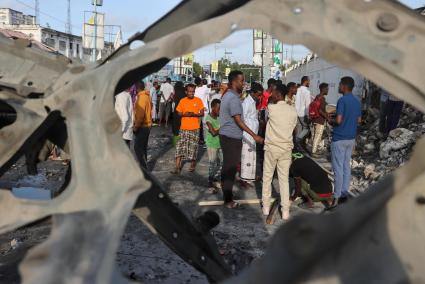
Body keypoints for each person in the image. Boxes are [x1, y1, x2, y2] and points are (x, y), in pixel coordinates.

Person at [220, 70, 264, 209]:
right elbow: (239, 121)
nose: (244, 83)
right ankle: (228, 200)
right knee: (230, 169)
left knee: (227, 167)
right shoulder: (233, 98)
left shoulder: (228, 95)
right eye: (241, 81)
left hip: (227, 136)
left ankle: (226, 194)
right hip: (231, 138)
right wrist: (254, 135)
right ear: (234, 82)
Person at [261, 83, 297, 220]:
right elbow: (294, 128)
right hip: (286, 149)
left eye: (274, 93)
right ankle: (285, 211)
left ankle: (265, 207)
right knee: (284, 180)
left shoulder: (271, 108)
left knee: (267, 177)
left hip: (271, 148)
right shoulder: (293, 110)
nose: (271, 94)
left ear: (278, 94)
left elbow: (265, 120)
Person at [331, 76, 361, 206]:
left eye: (339, 85)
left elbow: (338, 120)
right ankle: (344, 194)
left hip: (339, 138)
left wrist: (331, 121)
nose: (338, 87)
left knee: (337, 168)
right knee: (346, 167)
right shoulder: (357, 101)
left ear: (344, 86)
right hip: (351, 139)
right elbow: (359, 120)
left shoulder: (342, 100)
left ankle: (336, 197)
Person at [173, 84, 204, 174]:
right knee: (179, 147)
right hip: (183, 128)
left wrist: (194, 114)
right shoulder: (182, 101)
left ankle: (193, 164)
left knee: (193, 148)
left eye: (193, 91)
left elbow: (202, 113)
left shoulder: (198, 100)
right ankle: (177, 167)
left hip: (195, 128)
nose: (191, 93)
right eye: (189, 91)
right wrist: (185, 114)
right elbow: (178, 112)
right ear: (186, 92)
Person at [240, 82, 262, 183]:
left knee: (252, 156)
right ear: (253, 93)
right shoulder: (246, 102)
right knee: (247, 157)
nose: (259, 97)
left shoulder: (253, 102)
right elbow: (242, 119)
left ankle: (250, 176)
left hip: (253, 133)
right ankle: (245, 178)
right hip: (248, 134)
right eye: (258, 94)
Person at [133, 81, 152, 169]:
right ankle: (144, 167)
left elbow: (140, 115)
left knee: (137, 148)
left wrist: (136, 127)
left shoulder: (141, 98)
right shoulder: (147, 96)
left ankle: (143, 168)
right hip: (147, 125)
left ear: (137, 88)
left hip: (142, 126)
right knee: (143, 147)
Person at [205, 99, 222, 193]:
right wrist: (222, 127)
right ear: (212, 108)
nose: (220, 110)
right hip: (212, 144)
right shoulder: (208, 119)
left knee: (222, 163)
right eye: (218, 108)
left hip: (220, 144)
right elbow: (213, 132)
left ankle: (215, 179)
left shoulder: (220, 117)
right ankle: (210, 182)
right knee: (212, 164)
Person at [310, 83, 329, 156]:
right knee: (318, 136)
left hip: (315, 119)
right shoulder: (322, 98)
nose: (327, 91)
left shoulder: (317, 96)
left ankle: (314, 150)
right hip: (320, 120)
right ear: (323, 89)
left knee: (315, 135)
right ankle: (313, 152)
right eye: (327, 89)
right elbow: (320, 110)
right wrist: (327, 117)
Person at [295, 76, 311, 148]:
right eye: (309, 81)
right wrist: (308, 115)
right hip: (303, 113)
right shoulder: (307, 92)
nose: (309, 83)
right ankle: (297, 141)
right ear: (306, 81)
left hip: (296, 112)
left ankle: (297, 145)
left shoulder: (297, 90)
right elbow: (308, 105)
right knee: (306, 129)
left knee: (299, 128)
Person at [195, 77, 210, 144]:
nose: (202, 82)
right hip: (204, 110)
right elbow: (211, 87)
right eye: (201, 81)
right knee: (204, 126)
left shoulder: (195, 89)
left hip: (199, 110)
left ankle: (199, 140)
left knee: (199, 126)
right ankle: (205, 141)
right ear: (200, 82)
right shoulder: (204, 88)